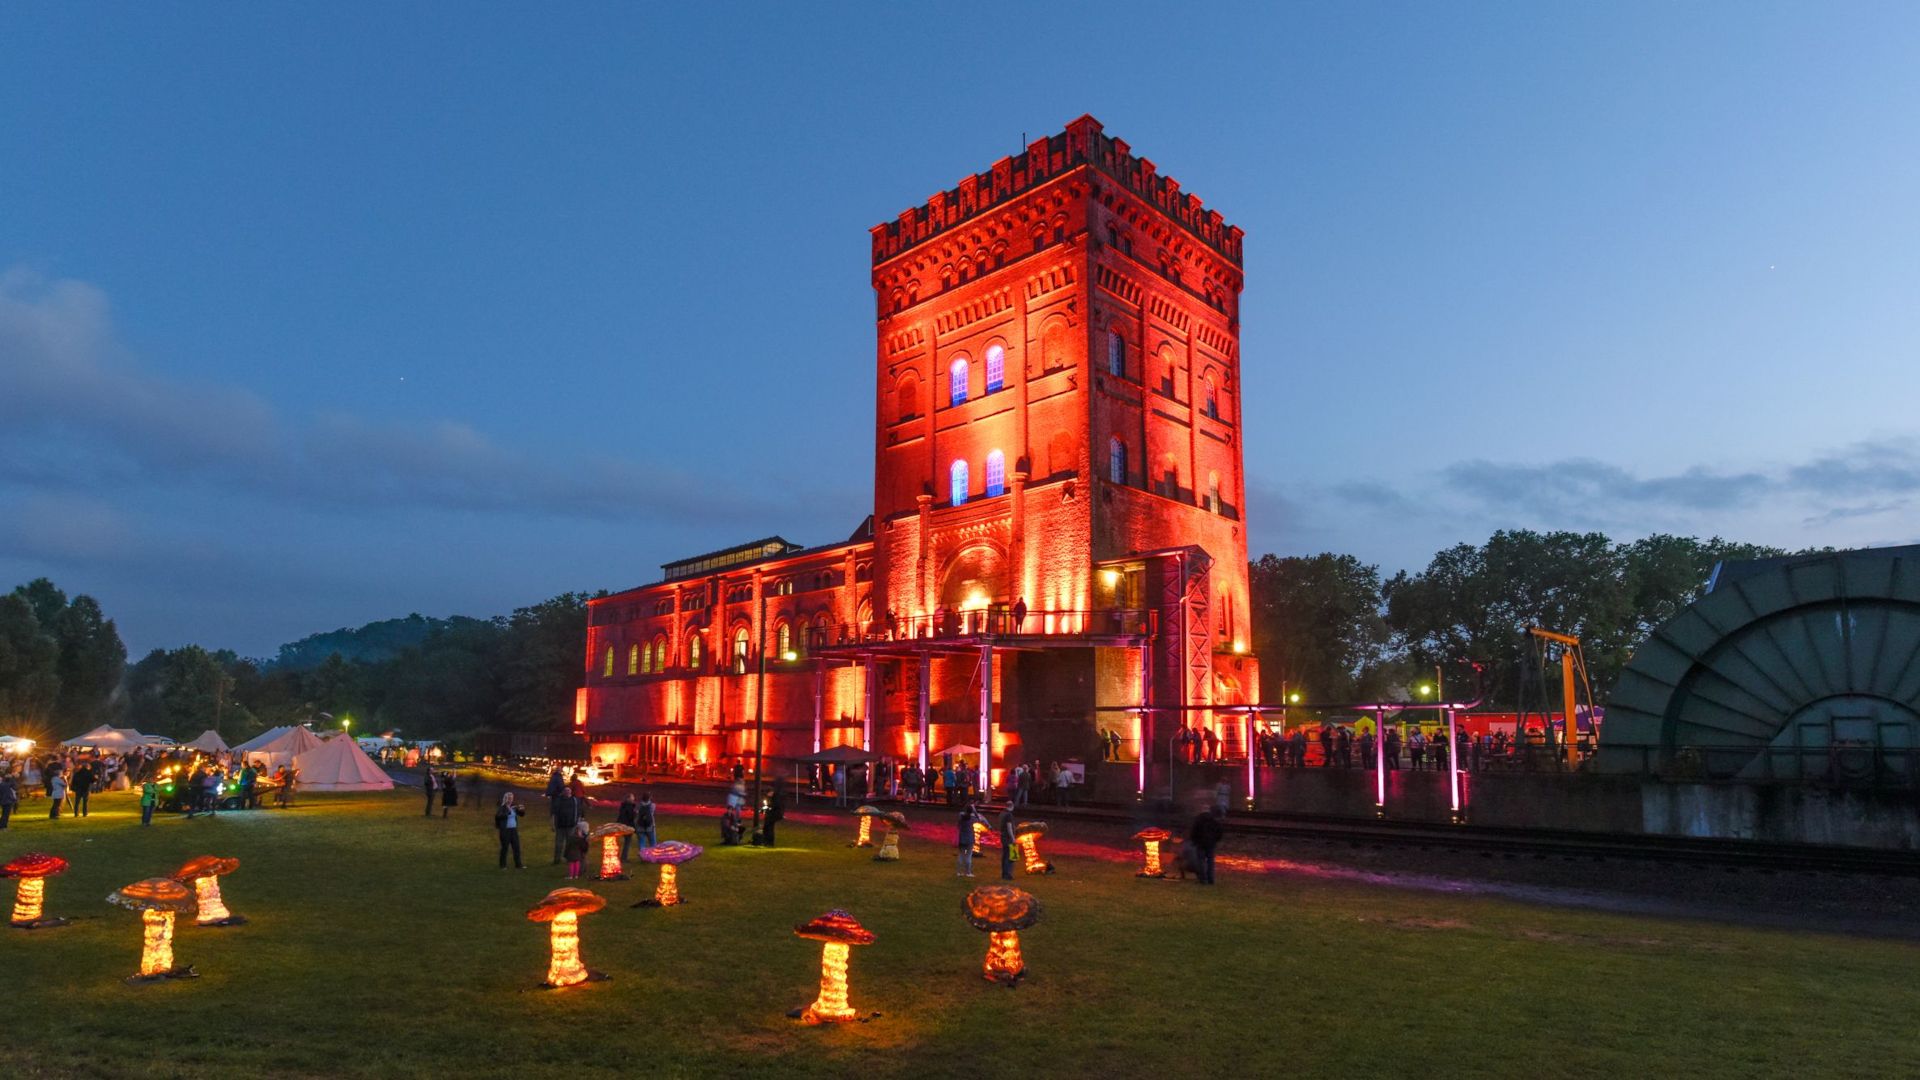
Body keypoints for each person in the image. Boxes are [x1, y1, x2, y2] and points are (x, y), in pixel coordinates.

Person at [1188, 806, 1224, 885]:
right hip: (1211, 843)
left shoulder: (1198, 819)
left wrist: (1194, 841)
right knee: (1210, 861)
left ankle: (1203, 879)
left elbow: (1194, 831)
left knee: (1201, 861)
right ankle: (1211, 879)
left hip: (1200, 843)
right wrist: (1215, 840)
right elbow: (1219, 831)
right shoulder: (1214, 820)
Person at [495, 791, 527, 869]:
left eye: (512, 798)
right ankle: (502, 865)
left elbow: (521, 815)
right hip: (505, 831)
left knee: (516, 847)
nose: (510, 800)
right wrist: (508, 812)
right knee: (505, 848)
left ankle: (518, 865)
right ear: (505, 799)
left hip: (513, 830)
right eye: (509, 798)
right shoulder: (502, 807)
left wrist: (522, 810)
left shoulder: (514, 807)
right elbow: (498, 817)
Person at [552, 788, 580, 864]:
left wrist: (577, 823)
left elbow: (578, 812)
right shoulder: (559, 800)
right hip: (560, 825)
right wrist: (553, 824)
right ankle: (557, 859)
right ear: (563, 792)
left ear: (571, 792)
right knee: (558, 844)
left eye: (568, 790)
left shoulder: (575, 800)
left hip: (571, 825)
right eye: (565, 791)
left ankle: (569, 859)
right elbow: (554, 813)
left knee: (570, 843)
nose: (567, 792)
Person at [955, 802, 980, 878]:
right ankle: (968, 872)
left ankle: (959, 872)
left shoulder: (961, 817)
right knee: (968, 856)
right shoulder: (972, 819)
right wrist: (974, 810)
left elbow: (958, 824)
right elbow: (978, 819)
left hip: (962, 838)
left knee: (961, 855)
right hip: (969, 839)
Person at [616, 793, 640, 862]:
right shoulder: (629, 807)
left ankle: (621, 856)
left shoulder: (623, 806)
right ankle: (624, 857)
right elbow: (631, 817)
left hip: (621, 825)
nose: (634, 799)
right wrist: (635, 813)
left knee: (625, 841)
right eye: (632, 797)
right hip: (627, 826)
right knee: (627, 842)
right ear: (628, 798)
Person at [997, 809, 1017, 881]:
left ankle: (1004, 873)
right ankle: (1007, 874)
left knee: (1005, 856)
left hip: (1004, 838)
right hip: (1009, 839)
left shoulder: (1002, 814)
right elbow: (1009, 827)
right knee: (1010, 857)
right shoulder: (1009, 815)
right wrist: (1013, 838)